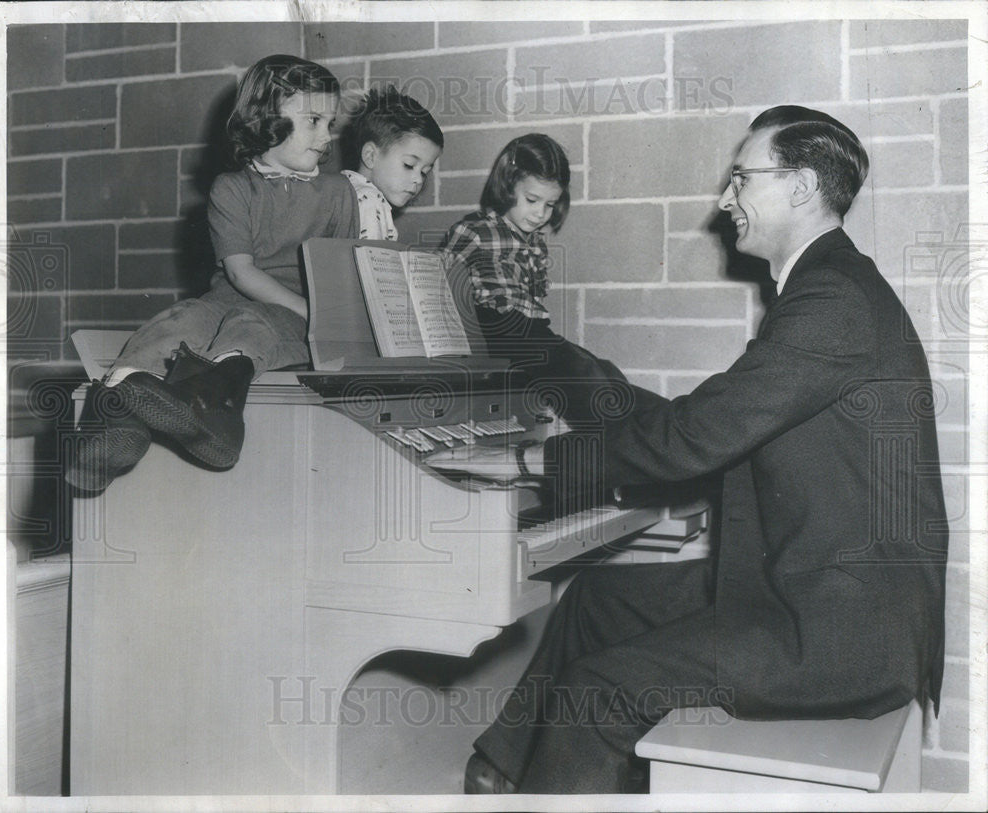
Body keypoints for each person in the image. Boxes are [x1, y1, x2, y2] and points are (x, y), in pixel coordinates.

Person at [428, 105, 948, 794]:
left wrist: (534, 462)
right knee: (593, 602)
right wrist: (595, 406)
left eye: (741, 177)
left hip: (840, 631)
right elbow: (707, 420)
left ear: (799, 187)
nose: (724, 198)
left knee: (598, 691)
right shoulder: (830, 288)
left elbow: (697, 435)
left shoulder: (832, 301)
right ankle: (505, 770)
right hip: (812, 586)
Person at [66, 54, 362, 492]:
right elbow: (240, 273)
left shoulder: (338, 192)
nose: (325, 136)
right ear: (265, 120)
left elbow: (342, 276)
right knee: (183, 317)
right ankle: (116, 412)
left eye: (329, 123)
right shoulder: (233, 187)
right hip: (228, 300)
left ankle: (215, 410)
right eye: (313, 120)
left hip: (293, 317)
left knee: (249, 324)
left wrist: (315, 313)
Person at [440, 133, 631, 430]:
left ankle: (628, 437)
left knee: (605, 372)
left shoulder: (533, 241)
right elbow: (437, 282)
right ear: (507, 184)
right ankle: (608, 444)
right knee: (580, 375)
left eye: (550, 204)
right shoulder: (474, 230)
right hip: (494, 329)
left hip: (529, 331)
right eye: (532, 200)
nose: (540, 214)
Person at [339, 84, 443, 241]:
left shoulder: (345, 190)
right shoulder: (369, 200)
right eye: (409, 165)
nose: (419, 179)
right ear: (370, 156)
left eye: (424, 172)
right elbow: (372, 261)